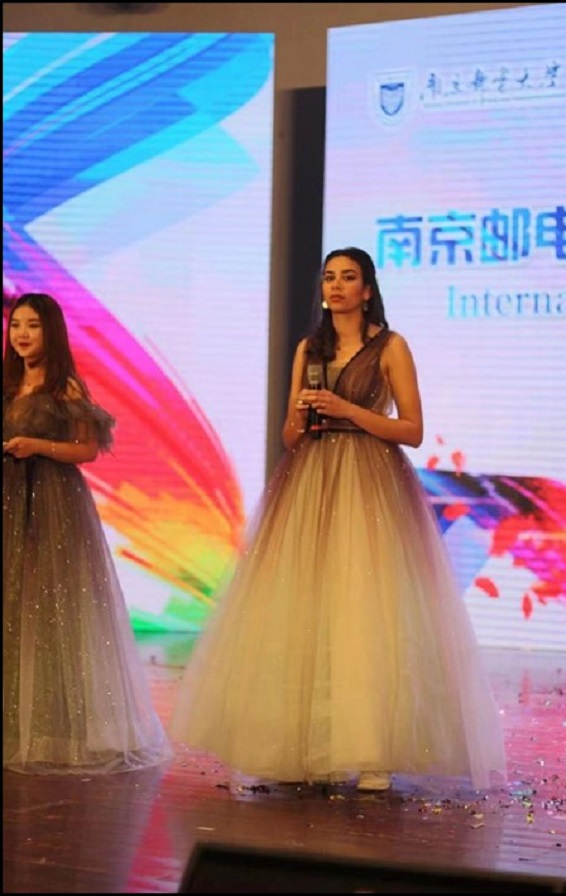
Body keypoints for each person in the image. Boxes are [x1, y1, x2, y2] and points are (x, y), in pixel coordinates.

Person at [170, 248, 506, 792]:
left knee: (366, 607)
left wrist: (348, 410)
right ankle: (306, 746)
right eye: (330, 277)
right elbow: (289, 435)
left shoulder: (390, 346)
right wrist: (303, 416)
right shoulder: (310, 348)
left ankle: (373, 750)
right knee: (308, 605)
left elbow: (412, 429)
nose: (337, 286)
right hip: (311, 480)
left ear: (367, 290)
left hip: (370, 480)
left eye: (349, 278)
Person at [3, 292, 172, 775]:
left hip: (53, 502)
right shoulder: (8, 384)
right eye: (17, 325)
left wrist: (38, 445)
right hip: (10, 499)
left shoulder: (66, 388)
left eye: (33, 325)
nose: (22, 335)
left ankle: (58, 728)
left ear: (51, 332)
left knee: (52, 611)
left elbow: (87, 450)